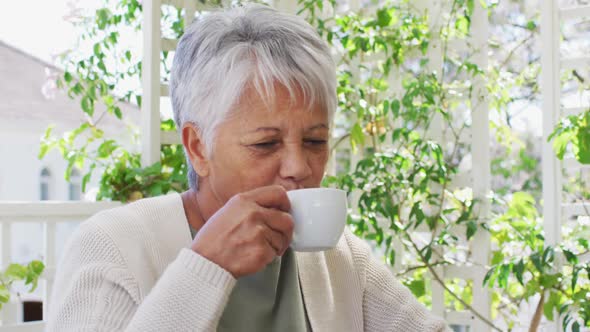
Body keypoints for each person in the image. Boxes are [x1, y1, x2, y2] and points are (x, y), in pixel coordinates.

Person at [47, 4, 449, 331]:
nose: (298, 167)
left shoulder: (339, 259)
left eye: (315, 141)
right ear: (198, 147)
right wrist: (206, 266)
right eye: (265, 143)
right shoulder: (114, 245)